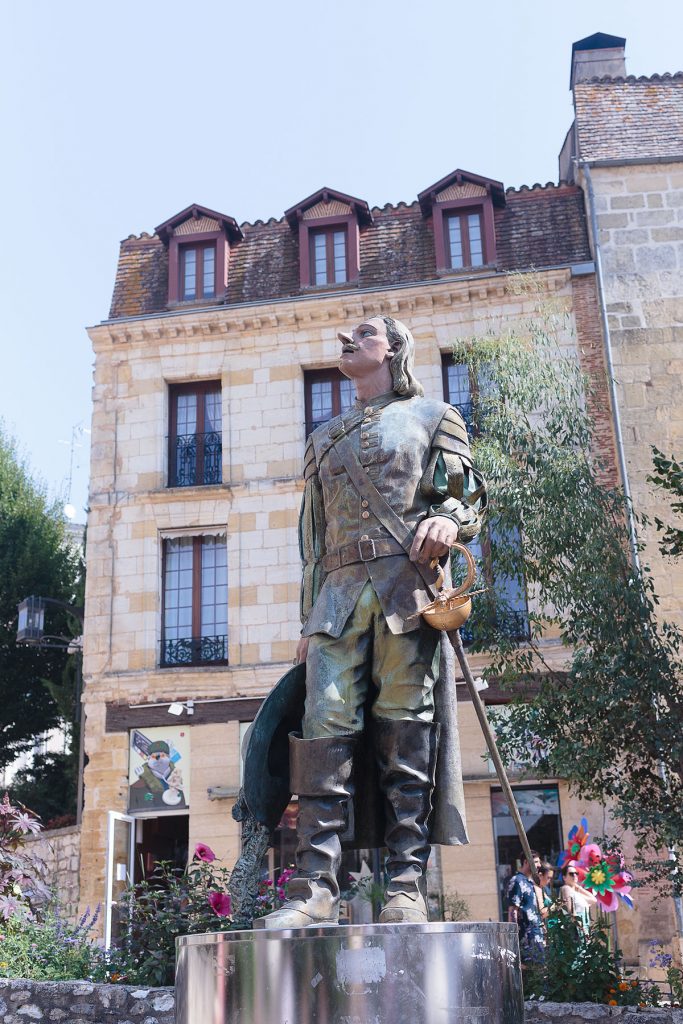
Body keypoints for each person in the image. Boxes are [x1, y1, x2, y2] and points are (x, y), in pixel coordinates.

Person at [260, 315, 486, 929]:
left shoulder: (434, 418)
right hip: (336, 602)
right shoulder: (325, 438)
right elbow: (313, 537)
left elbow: (470, 498)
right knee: (322, 725)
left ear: (394, 349)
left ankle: (407, 884)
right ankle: (315, 887)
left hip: (403, 595)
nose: (346, 341)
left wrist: (450, 521)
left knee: (406, 728)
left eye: (363, 334)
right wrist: (308, 621)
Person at [507, 851, 545, 962]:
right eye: (536, 862)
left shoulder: (529, 882)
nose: (539, 865)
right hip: (525, 939)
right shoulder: (517, 881)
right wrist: (512, 938)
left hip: (536, 937)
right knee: (529, 973)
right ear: (526, 862)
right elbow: (512, 910)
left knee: (540, 970)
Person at [560, 861, 597, 933]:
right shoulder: (566, 889)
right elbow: (570, 911)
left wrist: (579, 888)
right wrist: (581, 928)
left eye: (576, 873)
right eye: (571, 874)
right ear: (564, 877)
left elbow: (594, 900)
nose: (574, 875)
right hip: (577, 929)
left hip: (583, 928)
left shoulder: (575, 892)